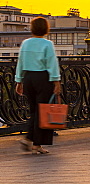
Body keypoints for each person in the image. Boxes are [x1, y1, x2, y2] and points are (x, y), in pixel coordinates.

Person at [14, 17, 61, 155]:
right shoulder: (47, 44)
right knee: (43, 111)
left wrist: (19, 81)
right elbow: (52, 64)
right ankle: (31, 139)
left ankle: (36, 144)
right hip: (43, 78)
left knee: (34, 110)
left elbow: (20, 63)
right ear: (46, 29)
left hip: (28, 78)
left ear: (32, 28)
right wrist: (56, 81)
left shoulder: (25, 43)